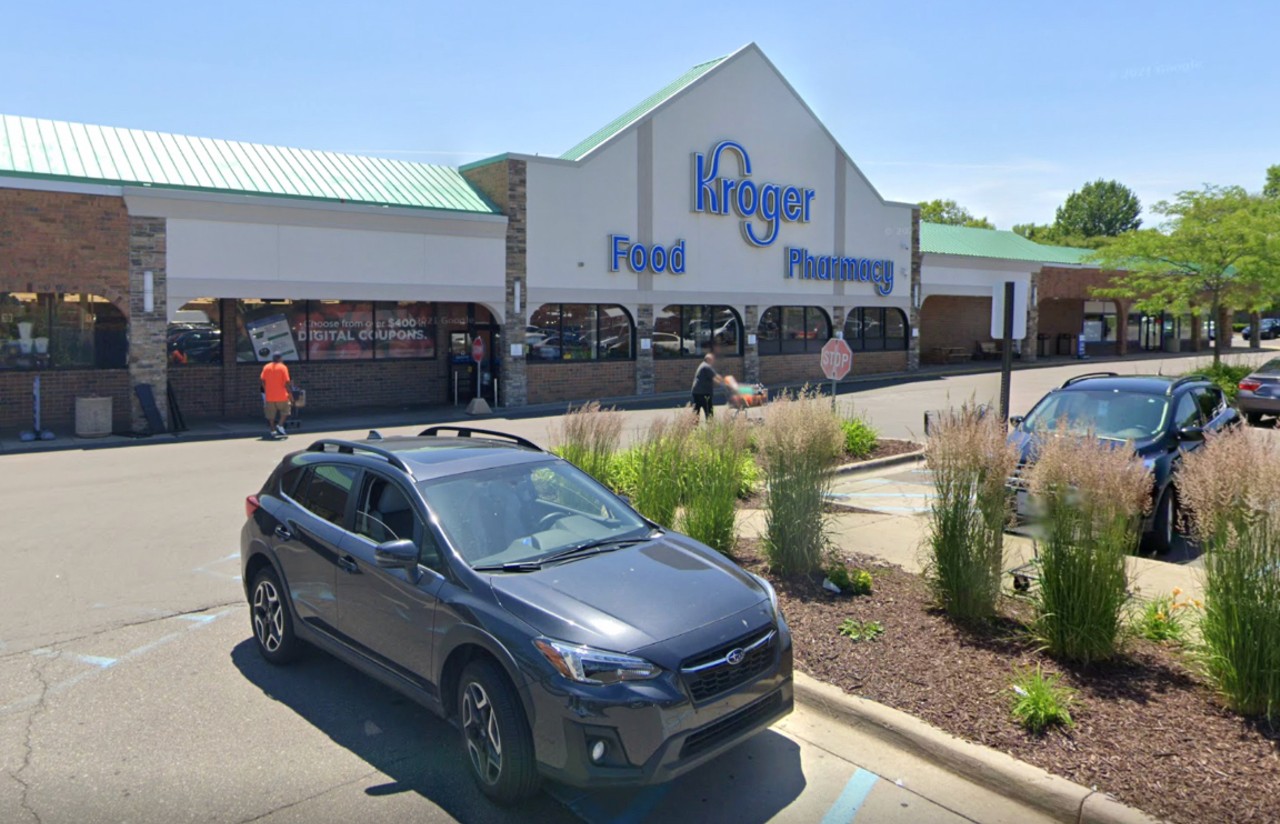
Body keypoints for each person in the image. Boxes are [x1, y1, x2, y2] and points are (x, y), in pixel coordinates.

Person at [260, 352, 293, 438]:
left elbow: (263, 380)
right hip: (281, 395)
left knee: (271, 414)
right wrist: (290, 393)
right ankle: (280, 425)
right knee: (286, 410)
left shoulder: (266, 367)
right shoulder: (283, 367)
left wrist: (266, 389)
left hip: (270, 396)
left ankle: (272, 430)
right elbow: (287, 382)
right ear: (280, 358)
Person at [690, 351, 724, 420]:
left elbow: (713, 378)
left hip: (696, 392)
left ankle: (694, 428)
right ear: (708, 359)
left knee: (696, 411)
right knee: (709, 412)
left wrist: (721, 383)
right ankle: (710, 428)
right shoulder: (706, 367)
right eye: (712, 359)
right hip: (703, 393)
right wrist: (725, 382)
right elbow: (716, 376)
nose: (713, 361)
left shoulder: (702, 365)